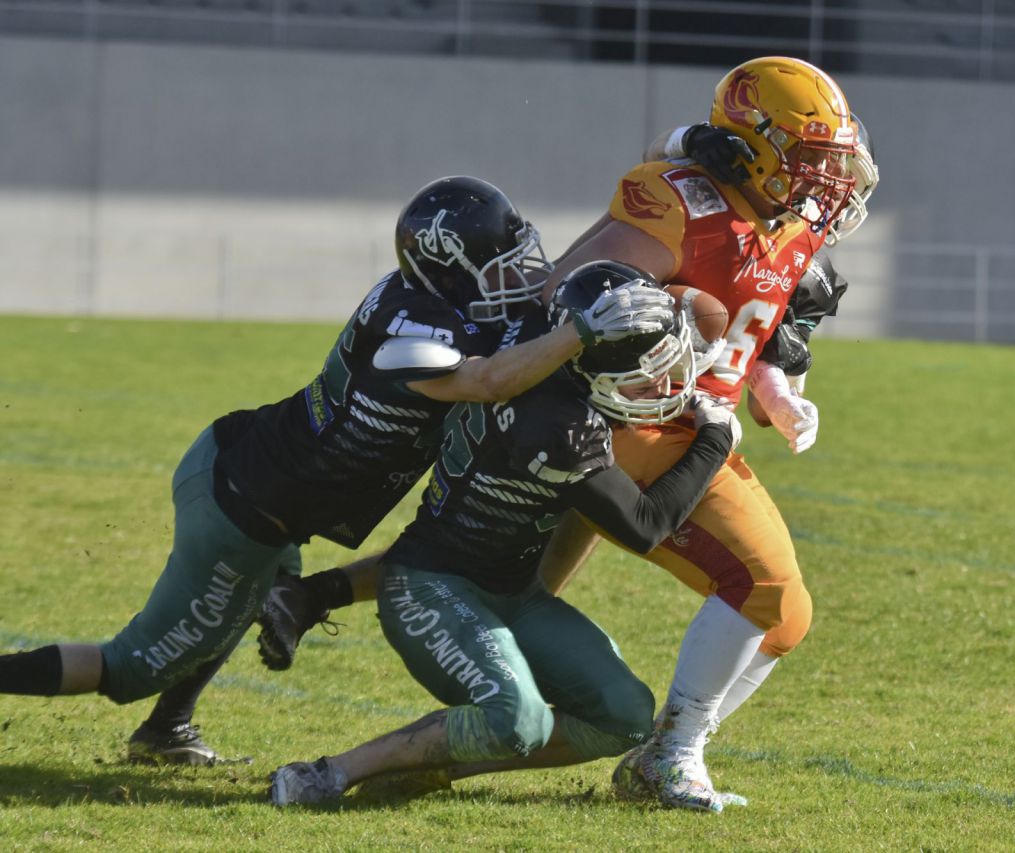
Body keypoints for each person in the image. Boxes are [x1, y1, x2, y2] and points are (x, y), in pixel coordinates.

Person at [0, 177, 672, 766]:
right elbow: (491, 377)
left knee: (249, 595)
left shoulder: (450, 303)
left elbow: (554, 297)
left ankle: (168, 728)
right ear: (450, 274)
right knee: (133, 663)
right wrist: (577, 333)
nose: (525, 277)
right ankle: (140, 707)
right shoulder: (410, 336)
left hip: (259, 473)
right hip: (238, 504)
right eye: (502, 268)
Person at [536, 55, 880, 812]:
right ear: (751, 144)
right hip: (635, 420)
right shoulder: (679, 200)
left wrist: (781, 393)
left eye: (831, 159)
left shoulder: (787, 228)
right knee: (763, 585)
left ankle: (662, 753)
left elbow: (751, 348)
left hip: (702, 429)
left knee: (787, 618)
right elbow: (566, 298)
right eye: (809, 158)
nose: (826, 179)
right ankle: (673, 754)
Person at [268, 261, 741, 806]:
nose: (663, 385)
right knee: (515, 719)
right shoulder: (558, 426)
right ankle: (330, 773)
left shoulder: (540, 340)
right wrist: (714, 439)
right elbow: (644, 526)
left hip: (514, 591)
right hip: (431, 589)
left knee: (625, 716)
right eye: (646, 373)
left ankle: (429, 769)